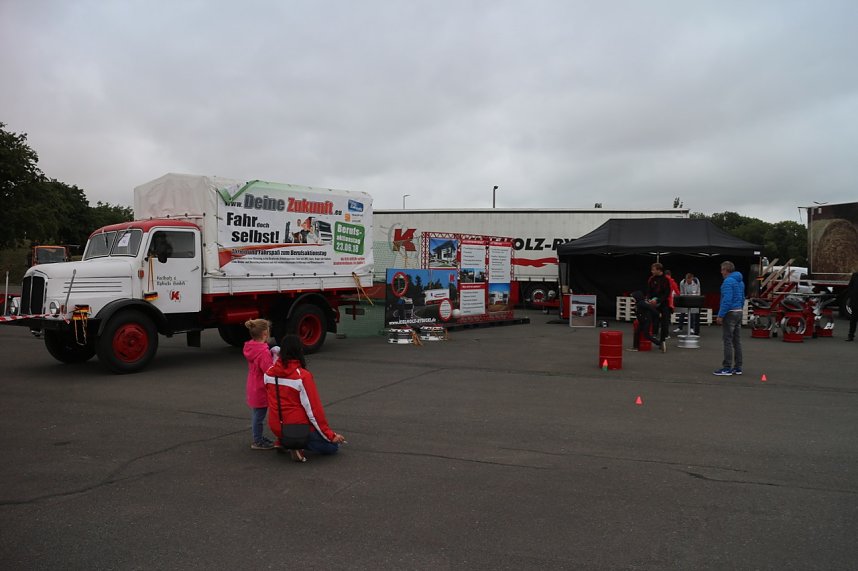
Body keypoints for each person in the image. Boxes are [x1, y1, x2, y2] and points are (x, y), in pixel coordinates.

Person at [264, 334, 347, 462]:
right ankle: (295, 445)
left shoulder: (269, 372)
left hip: (275, 425)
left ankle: (283, 441)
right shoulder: (302, 376)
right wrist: (330, 435)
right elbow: (314, 411)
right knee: (332, 447)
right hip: (296, 428)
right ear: (299, 351)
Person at [243, 319, 277, 450]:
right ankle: (258, 440)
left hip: (253, 384)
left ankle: (258, 438)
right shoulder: (263, 351)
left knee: (257, 413)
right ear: (265, 333)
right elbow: (269, 370)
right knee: (259, 415)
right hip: (261, 386)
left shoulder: (250, 346)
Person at [713, 261, 745, 376]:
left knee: (727, 340)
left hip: (730, 312)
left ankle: (727, 367)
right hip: (738, 311)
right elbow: (742, 297)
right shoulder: (740, 281)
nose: (721, 272)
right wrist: (740, 309)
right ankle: (738, 367)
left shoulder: (727, 282)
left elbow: (727, 299)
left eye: (722, 270)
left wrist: (720, 315)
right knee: (737, 341)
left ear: (726, 270)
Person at [646, 262, 671, 341]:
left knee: (665, 320)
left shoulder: (666, 280)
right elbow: (649, 291)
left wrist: (658, 300)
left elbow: (667, 293)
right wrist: (649, 299)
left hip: (663, 303)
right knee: (654, 319)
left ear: (659, 270)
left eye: (653, 270)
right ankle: (654, 334)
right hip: (653, 303)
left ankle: (664, 335)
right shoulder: (652, 279)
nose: (652, 271)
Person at [664, 269, 680, 335]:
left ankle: (655, 332)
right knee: (666, 319)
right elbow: (678, 293)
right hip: (669, 303)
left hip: (660, 302)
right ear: (670, 275)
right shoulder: (672, 282)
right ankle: (666, 334)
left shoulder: (661, 281)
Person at [846, 272, 858, 341]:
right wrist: (851, 296)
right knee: (853, 320)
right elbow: (850, 286)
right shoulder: (855, 275)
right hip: (855, 301)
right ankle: (850, 336)